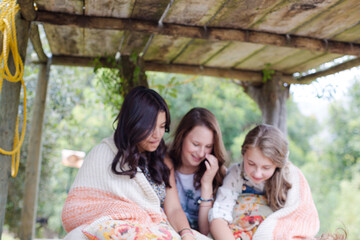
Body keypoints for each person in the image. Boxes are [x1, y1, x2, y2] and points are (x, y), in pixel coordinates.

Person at [61, 87, 208, 240]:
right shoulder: (102, 154)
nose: (158, 135)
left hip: (157, 230)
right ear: (133, 123)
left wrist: (186, 233)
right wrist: (127, 211)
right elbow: (74, 210)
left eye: (162, 126)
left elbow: (174, 209)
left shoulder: (162, 160)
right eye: (150, 127)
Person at [209, 124, 320, 240]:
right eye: (251, 164)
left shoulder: (290, 177)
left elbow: (297, 220)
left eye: (266, 168)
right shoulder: (236, 174)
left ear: (277, 165)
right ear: (243, 155)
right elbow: (218, 218)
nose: (257, 173)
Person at [167, 107, 227, 236]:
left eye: (208, 146)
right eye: (195, 144)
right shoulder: (164, 163)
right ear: (182, 136)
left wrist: (207, 184)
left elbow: (205, 231)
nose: (200, 153)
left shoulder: (217, 173)